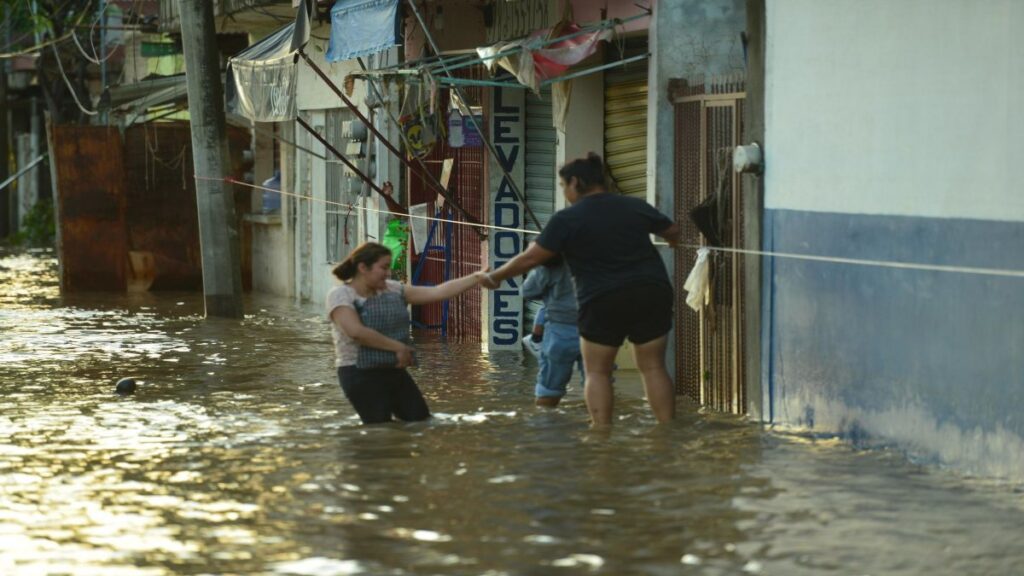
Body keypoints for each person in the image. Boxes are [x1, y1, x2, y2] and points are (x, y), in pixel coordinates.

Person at [481, 153, 681, 426]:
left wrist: (496, 276)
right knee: (654, 367)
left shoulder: (566, 219)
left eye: (563, 186)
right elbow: (672, 230)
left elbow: (531, 258)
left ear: (575, 182)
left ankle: (601, 437)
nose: (564, 193)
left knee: (596, 372)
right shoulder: (633, 205)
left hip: (603, 297)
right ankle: (667, 433)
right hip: (652, 291)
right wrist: (672, 242)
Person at [327, 242, 487, 424]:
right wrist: (399, 347)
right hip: (359, 372)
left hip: (393, 369)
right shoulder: (341, 295)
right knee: (378, 429)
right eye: (384, 267)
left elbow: (438, 292)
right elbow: (355, 331)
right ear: (363, 267)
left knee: (420, 421)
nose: (388, 273)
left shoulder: (393, 289)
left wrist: (476, 277)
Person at [521, 255, 582, 407]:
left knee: (548, 390)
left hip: (560, 335)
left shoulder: (552, 264)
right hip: (597, 334)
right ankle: (600, 427)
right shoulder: (606, 259)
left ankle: (546, 425)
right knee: (598, 379)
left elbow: (528, 291)